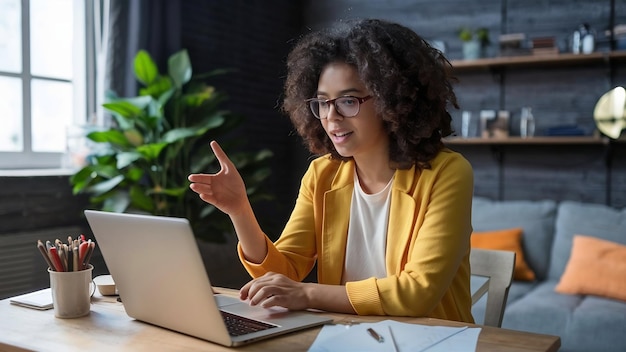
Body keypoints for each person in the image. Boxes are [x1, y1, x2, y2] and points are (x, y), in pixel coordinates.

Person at [188, 18, 474, 323]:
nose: (331, 117)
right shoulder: (321, 175)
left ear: (392, 100)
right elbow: (282, 276)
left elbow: (418, 292)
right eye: (323, 103)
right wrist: (240, 210)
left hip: (432, 339)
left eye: (348, 101)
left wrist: (308, 294)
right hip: (347, 337)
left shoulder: (448, 173)